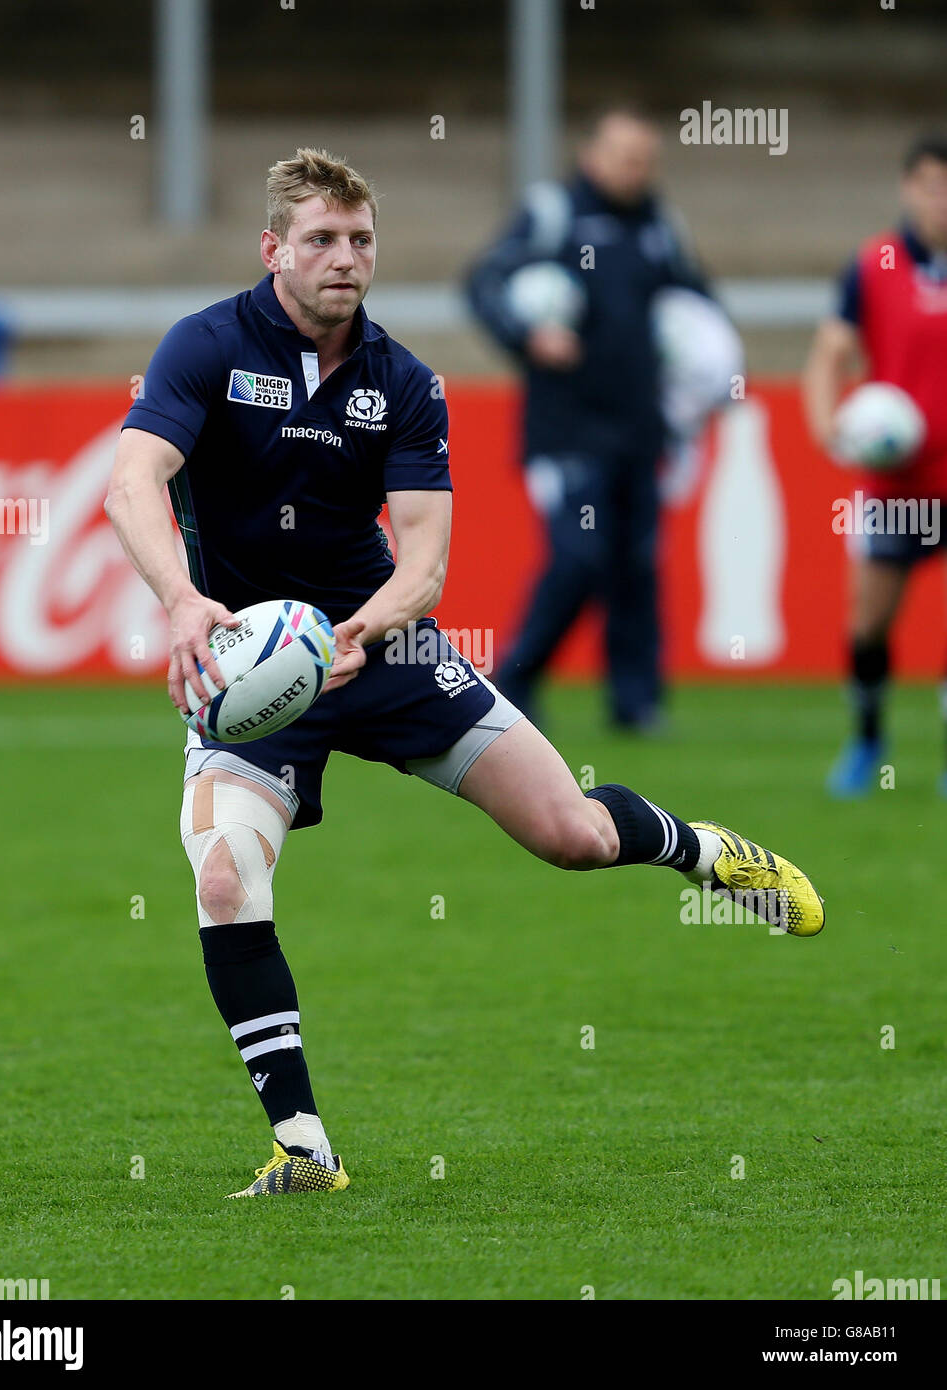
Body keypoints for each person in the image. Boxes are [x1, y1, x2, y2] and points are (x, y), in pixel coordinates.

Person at [105, 149, 823, 1198]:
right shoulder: (205, 347)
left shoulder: (403, 381)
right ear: (273, 250)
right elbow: (133, 482)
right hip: (248, 669)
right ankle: (303, 1145)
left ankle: (705, 851)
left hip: (382, 649)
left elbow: (428, 562)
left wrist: (362, 628)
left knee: (569, 835)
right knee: (222, 878)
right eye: (320, 240)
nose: (344, 259)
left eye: (360, 240)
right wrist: (180, 600)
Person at [466, 109, 709, 732]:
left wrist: (702, 365)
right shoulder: (555, 214)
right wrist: (528, 333)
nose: (637, 171)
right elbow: (484, 281)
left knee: (636, 564)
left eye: (646, 160)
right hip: (568, 427)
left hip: (640, 428)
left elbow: (696, 306)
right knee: (579, 555)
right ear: (593, 155)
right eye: (626, 157)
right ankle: (514, 680)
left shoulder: (660, 224)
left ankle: (636, 704)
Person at [803, 133, 947, 796]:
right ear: (908, 187)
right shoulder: (874, 263)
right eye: (930, 184)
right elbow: (830, 352)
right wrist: (828, 427)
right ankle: (865, 740)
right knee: (867, 624)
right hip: (895, 483)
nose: (940, 199)